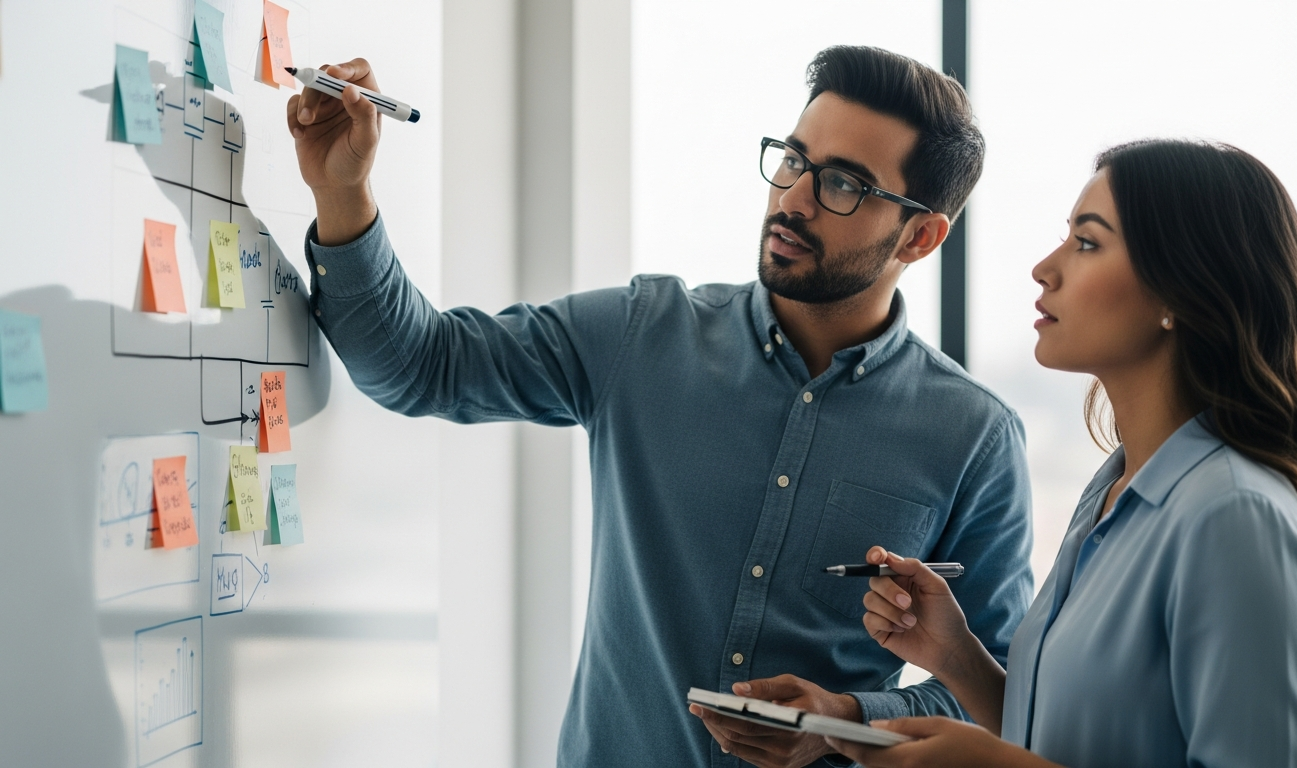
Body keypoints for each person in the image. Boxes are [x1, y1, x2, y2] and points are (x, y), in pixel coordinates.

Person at [286, 46, 1034, 767]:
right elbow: (420, 366)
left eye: (843, 185)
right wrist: (341, 192)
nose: (794, 199)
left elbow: (999, 692)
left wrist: (850, 722)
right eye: (795, 160)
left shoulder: (974, 437)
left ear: (922, 236)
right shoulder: (644, 333)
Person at [825, 139, 1297, 768]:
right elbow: (1078, 738)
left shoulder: (1234, 516)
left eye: (1087, 242)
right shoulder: (1114, 489)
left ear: (1181, 290)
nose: (1045, 267)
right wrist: (955, 656)